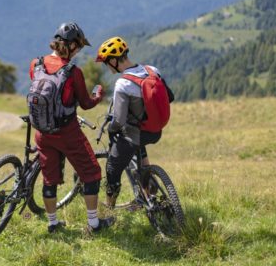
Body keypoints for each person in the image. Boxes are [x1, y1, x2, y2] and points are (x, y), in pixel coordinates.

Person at [30, 22, 115, 233]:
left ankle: (52, 223)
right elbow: (85, 103)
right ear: (72, 46)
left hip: (42, 131)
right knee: (92, 172)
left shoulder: (36, 64)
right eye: (78, 47)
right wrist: (98, 96)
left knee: (49, 178)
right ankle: (94, 224)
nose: (79, 51)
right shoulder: (72, 72)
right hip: (67, 133)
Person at [95, 36, 174, 208]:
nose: (107, 66)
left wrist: (111, 129)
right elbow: (171, 96)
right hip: (156, 130)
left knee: (112, 169)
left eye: (107, 62)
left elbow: (119, 120)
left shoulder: (123, 84)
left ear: (114, 61)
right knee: (137, 146)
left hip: (136, 134)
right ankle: (149, 192)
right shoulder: (152, 70)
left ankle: (109, 209)